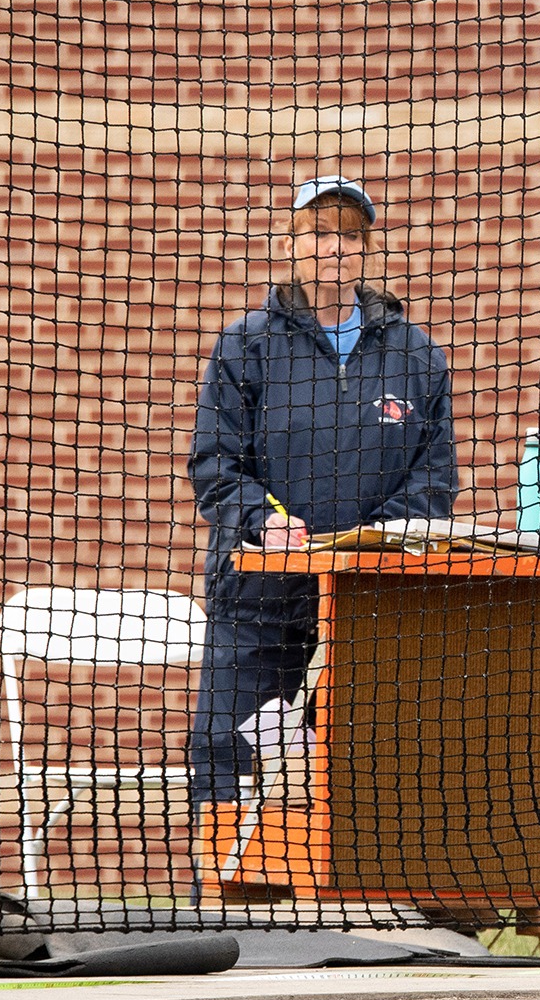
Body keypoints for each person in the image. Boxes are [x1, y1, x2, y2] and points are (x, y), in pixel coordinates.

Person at [186, 175, 458, 886]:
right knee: (223, 740)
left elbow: (434, 482)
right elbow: (216, 466)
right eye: (316, 233)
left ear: (363, 251)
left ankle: (375, 891)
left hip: (372, 599)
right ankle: (228, 889)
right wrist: (265, 521)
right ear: (291, 246)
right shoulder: (245, 348)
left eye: (346, 235)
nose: (331, 248)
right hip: (260, 593)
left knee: (372, 752)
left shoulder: (416, 355)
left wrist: (374, 543)